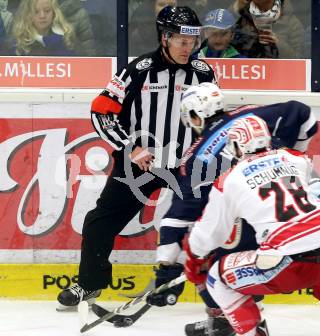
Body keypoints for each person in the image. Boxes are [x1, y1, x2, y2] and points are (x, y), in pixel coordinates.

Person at [56, 5, 216, 311]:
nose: (188, 47)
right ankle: (90, 284)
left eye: (193, 40)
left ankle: (218, 293)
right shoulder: (138, 69)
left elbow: (208, 118)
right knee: (99, 223)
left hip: (185, 167)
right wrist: (130, 147)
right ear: (165, 37)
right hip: (140, 165)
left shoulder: (204, 72)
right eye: (181, 40)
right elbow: (101, 111)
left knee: (213, 224)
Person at [184, 115, 320, 336]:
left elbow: (207, 235)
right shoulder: (295, 157)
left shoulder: (229, 179)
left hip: (286, 261)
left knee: (217, 279)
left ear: (238, 146)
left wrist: (194, 261)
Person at [146, 82, 319, 336]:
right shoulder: (252, 115)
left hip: (251, 228)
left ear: (194, 115)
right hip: (299, 214)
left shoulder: (196, 157)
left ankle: (225, 318)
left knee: (211, 264)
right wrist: (293, 154)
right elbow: (305, 114)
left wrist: (166, 264)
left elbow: (178, 218)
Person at [232, 0, 304, 58]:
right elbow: (226, 43)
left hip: (277, 71)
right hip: (247, 70)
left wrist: (278, 44)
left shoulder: (291, 23)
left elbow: (300, 59)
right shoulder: (242, 15)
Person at [10, 0, 76, 56]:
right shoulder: (17, 45)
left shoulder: (68, 39)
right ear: (28, 14)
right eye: (36, 12)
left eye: (47, 11)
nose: (42, 16)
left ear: (54, 12)